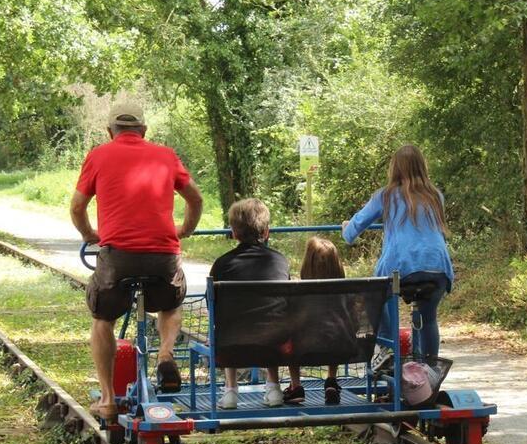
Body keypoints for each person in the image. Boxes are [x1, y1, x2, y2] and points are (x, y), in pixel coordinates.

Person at [70, 102, 203, 421]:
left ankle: (107, 399)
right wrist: (184, 229)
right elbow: (195, 199)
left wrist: (91, 234)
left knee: (103, 317)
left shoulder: (98, 155)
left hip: (118, 258)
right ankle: (166, 353)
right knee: (171, 303)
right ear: (143, 131)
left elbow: (77, 207)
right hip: (162, 256)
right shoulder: (166, 155)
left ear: (109, 131)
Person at [342, 143, 453, 359]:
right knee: (427, 318)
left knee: (374, 299)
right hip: (437, 266)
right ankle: (428, 370)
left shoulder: (385, 196)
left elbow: (352, 232)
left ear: (395, 168)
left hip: (400, 269)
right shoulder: (435, 196)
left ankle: (388, 349)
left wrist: (346, 227)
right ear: (422, 167)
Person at [210, 198, 289, 408]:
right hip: (274, 344)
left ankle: (230, 391)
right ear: (267, 232)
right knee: (272, 321)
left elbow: (214, 308)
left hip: (232, 344)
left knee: (229, 324)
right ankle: (273, 388)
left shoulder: (222, 264)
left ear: (234, 233)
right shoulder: (279, 261)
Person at [283, 237, 346, 405]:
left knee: (290, 333)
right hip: (338, 348)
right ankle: (331, 380)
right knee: (336, 330)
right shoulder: (344, 293)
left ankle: (296, 386)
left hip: (305, 349)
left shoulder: (298, 293)